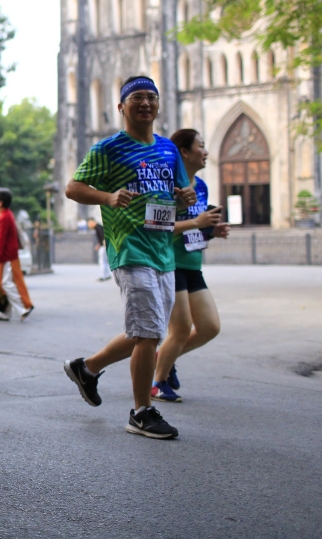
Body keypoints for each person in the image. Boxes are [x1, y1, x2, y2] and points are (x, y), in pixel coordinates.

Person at [62, 76, 196, 440]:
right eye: (137, 97)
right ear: (122, 107)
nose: (146, 103)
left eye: (152, 97)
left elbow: (180, 191)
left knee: (146, 330)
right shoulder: (108, 149)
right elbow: (73, 188)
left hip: (163, 252)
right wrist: (106, 197)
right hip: (129, 249)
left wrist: (183, 198)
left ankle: (86, 368)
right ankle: (141, 412)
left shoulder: (168, 149)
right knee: (148, 331)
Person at [152, 129, 229, 402]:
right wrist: (197, 223)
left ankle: (165, 357)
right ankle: (157, 382)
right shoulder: (167, 185)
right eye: (201, 146)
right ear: (184, 152)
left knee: (210, 327)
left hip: (193, 264)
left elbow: (196, 228)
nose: (206, 152)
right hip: (169, 263)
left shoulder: (203, 186)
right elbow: (157, 227)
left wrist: (211, 231)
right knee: (181, 329)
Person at [0, 188, 34, 322]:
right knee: (7, 282)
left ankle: (24, 307)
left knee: (4, 284)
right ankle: (5, 312)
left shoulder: (4, 217)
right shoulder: (8, 215)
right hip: (9, 254)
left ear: (0, 202)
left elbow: (1, 238)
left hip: (6, 255)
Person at [90, 217, 112, 281]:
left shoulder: (98, 227)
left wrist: (104, 244)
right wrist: (99, 245)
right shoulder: (97, 227)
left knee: (102, 261)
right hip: (103, 245)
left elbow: (103, 236)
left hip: (104, 246)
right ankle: (107, 274)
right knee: (104, 261)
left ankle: (104, 275)